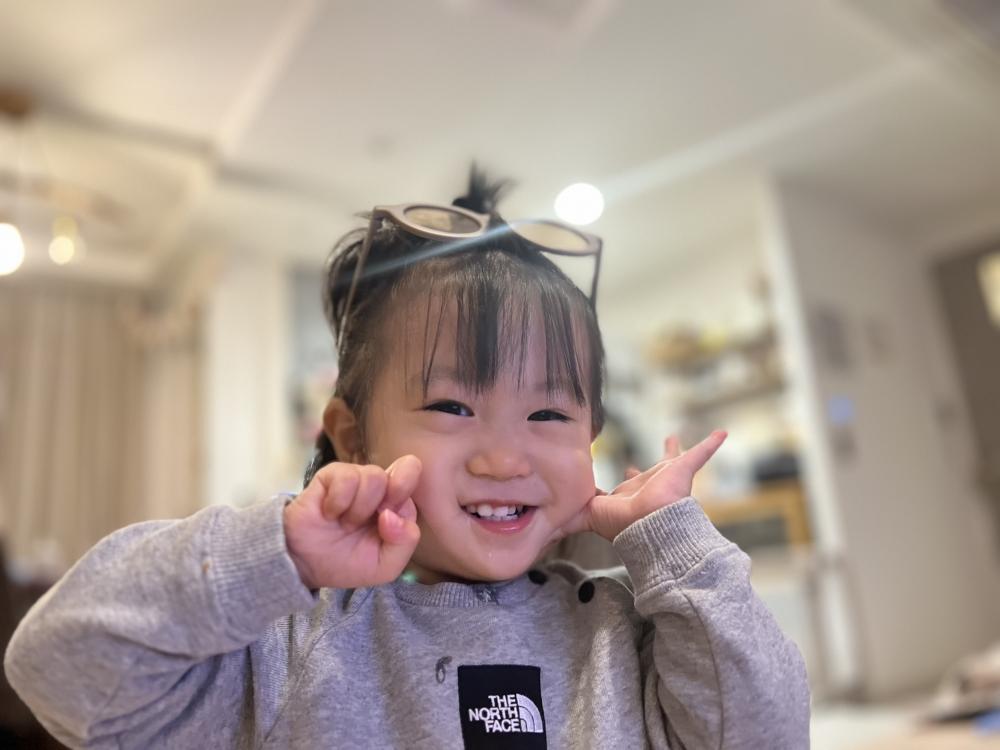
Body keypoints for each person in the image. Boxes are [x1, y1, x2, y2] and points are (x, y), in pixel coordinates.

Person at [4, 169, 810, 749]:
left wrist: (675, 546)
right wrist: (276, 552)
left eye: (548, 413)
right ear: (353, 438)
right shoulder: (292, 645)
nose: (505, 456)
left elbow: (769, 733)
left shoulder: (626, 635)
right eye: (453, 407)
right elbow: (59, 669)